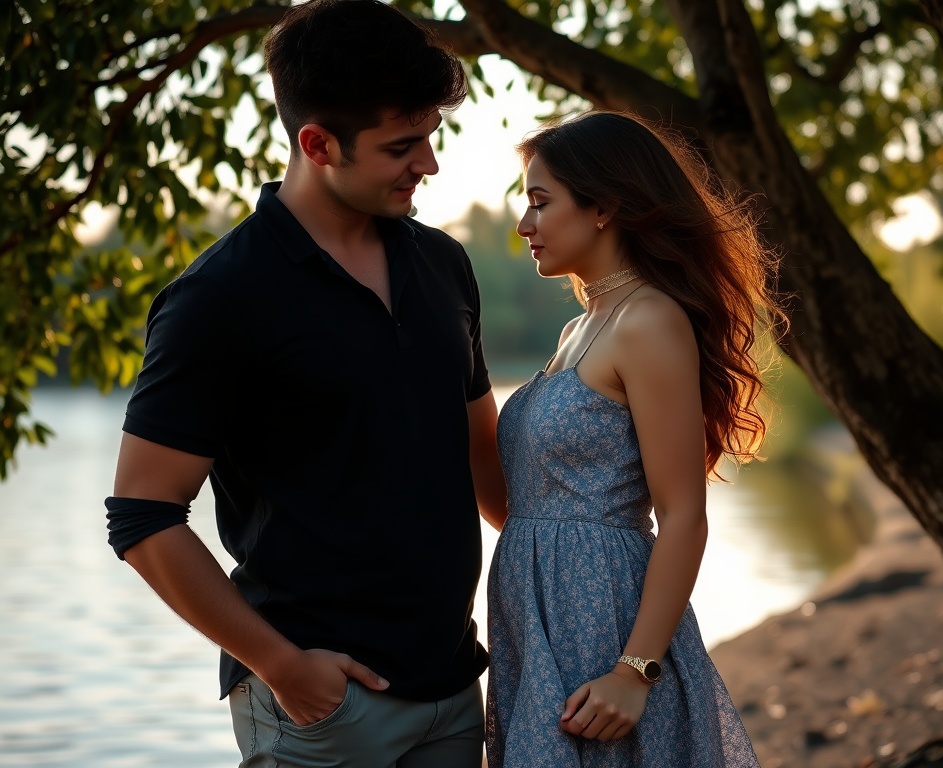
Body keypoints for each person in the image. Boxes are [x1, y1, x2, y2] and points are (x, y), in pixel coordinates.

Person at [104, 1, 507, 766]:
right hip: (320, 712)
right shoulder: (219, 299)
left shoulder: (443, 264)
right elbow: (143, 516)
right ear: (317, 143)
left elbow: (482, 460)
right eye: (402, 146)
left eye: (430, 138)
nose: (428, 163)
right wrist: (283, 666)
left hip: (456, 687)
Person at [485, 110, 785, 767]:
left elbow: (683, 514)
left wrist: (635, 669)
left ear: (604, 209)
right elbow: (520, 499)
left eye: (541, 202)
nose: (524, 223)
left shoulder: (648, 320)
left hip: (604, 619)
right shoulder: (579, 329)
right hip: (536, 620)